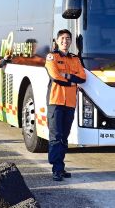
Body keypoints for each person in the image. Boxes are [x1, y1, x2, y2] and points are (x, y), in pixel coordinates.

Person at [44, 29, 86, 181]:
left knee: (64, 137)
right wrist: (72, 80)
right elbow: (55, 76)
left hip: (70, 103)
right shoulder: (51, 57)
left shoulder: (75, 59)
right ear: (57, 40)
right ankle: (56, 169)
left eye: (68, 38)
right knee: (56, 136)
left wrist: (67, 76)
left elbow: (83, 77)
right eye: (62, 38)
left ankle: (60, 167)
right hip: (55, 102)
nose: (65, 41)